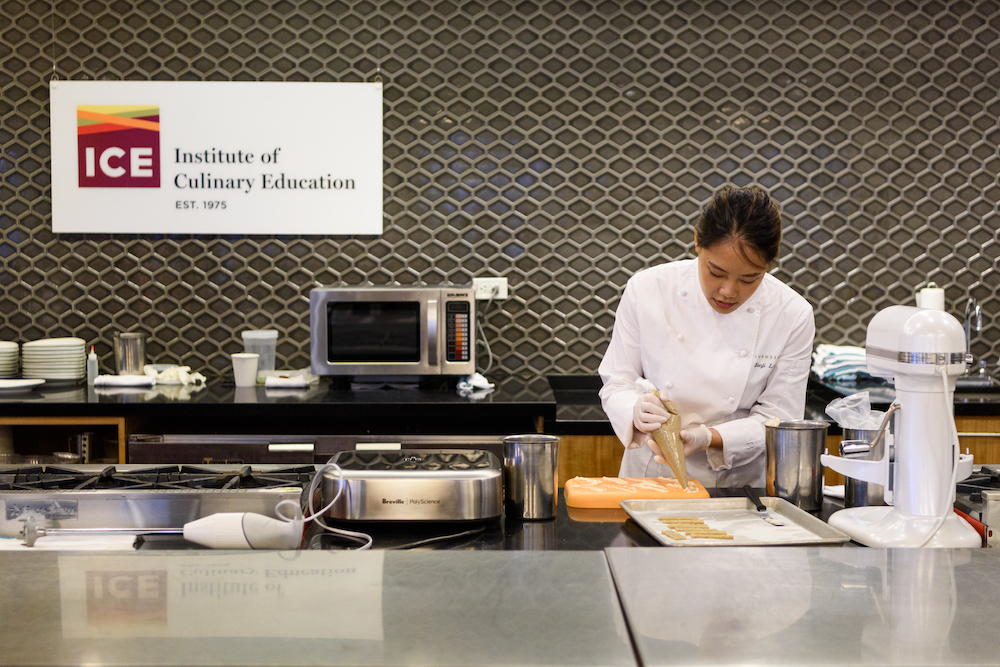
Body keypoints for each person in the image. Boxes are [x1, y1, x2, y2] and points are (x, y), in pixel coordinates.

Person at [598, 185, 815, 487]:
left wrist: (707, 438)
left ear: (769, 264)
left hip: (738, 485)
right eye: (716, 272)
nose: (729, 291)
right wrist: (634, 409)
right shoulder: (649, 289)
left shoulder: (792, 314)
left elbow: (779, 418)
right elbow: (617, 383)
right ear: (697, 242)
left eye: (749, 278)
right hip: (653, 475)